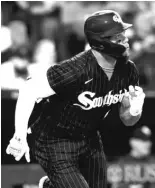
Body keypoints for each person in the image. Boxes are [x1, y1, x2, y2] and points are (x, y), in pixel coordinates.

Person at [6, 10, 145, 188]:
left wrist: (134, 110)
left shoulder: (128, 70)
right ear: (100, 42)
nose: (125, 40)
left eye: (124, 34)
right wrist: (19, 136)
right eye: (118, 37)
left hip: (89, 137)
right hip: (54, 140)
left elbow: (128, 121)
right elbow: (28, 89)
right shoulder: (75, 70)